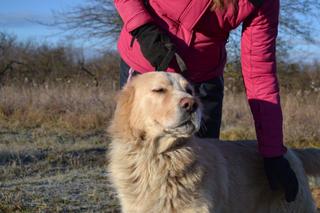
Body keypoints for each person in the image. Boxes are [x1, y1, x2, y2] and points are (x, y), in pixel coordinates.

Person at [114, 0, 299, 202]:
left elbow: (260, 76)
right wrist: (143, 28)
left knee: (198, 180)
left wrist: (272, 153)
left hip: (202, 80)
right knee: (138, 166)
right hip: (147, 64)